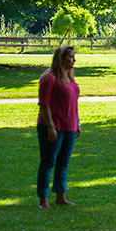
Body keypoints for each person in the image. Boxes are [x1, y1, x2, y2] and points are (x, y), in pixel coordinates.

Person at [36, 45, 81, 209]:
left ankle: (60, 196)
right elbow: (44, 104)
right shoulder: (49, 78)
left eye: (73, 56)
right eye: (70, 57)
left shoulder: (69, 78)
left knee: (63, 162)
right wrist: (50, 126)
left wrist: (77, 123)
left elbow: (73, 103)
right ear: (61, 58)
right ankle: (43, 200)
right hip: (53, 126)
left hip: (69, 126)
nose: (73, 60)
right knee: (48, 162)